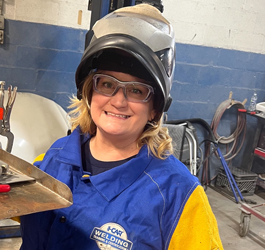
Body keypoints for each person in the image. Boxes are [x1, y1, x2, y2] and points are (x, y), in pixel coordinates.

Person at [20, 4, 223, 250]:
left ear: (155, 108)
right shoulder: (54, 159)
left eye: (137, 90)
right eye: (106, 84)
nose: (118, 101)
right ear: (89, 91)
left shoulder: (179, 197)